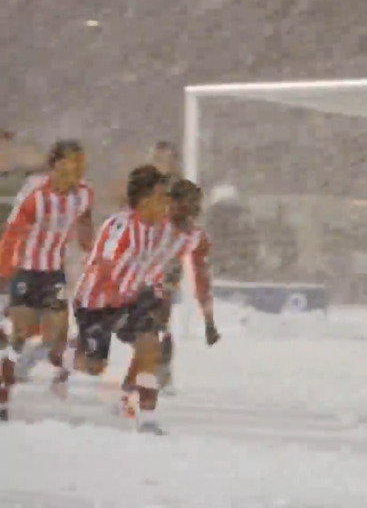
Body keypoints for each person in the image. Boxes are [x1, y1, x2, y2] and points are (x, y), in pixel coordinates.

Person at [58, 165, 170, 434]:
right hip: (96, 304)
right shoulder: (121, 225)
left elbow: (153, 264)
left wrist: (156, 291)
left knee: (150, 345)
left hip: (130, 301)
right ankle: (70, 353)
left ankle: (144, 414)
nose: (166, 202)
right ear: (144, 201)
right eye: (161, 196)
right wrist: (113, 301)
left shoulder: (160, 228)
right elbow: (106, 265)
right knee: (96, 367)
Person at [0, 140, 94, 422]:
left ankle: (47, 378)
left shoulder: (85, 194)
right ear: (56, 164)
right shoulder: (34, 196)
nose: (78, 167)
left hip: (54, 273)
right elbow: (12, 233)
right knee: (21, 333)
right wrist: (4, 274)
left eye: (81, 161)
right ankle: (4, 395)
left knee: (57, 336)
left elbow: (85, 221)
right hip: (25, 271)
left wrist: (91, 249)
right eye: (72, 161)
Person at [117, 178, 219, 413]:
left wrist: (208, 318)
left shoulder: (196, 237)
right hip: (124, 289)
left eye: (192, 208)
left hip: (154, 293)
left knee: (154, 340)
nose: (186, 213)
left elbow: (201, 276)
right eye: (180, 205)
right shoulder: (150, 223)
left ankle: (133, 394)